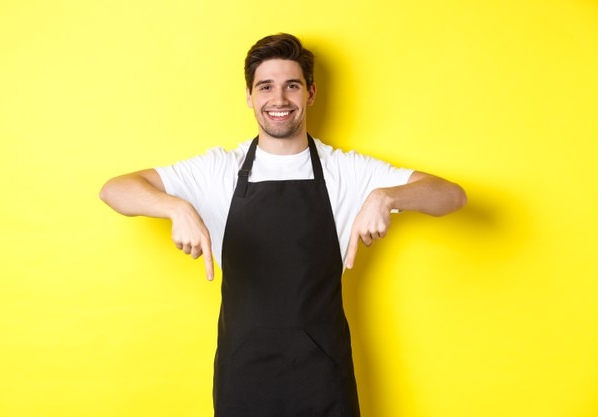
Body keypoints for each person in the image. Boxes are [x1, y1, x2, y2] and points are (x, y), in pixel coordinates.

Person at [100, 33, 466, 417]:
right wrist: (174, 207)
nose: (278, 100)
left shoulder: (346, 171)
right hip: (243, 375)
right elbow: (115, 190)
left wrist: (387, 197)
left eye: (291, 86)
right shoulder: (217, 170)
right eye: (266, 87)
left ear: (310, 93)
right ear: (249, 96)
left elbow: (450, 196)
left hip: (324, 376)